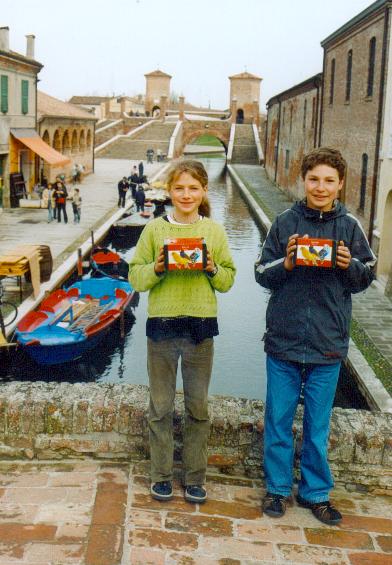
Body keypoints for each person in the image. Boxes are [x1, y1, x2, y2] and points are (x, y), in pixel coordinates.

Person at [254, 147, 376, 525]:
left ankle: (315, 492)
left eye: (328, 181)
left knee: (318, 425)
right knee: (278, 419)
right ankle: (276, 489)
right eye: (313, 179)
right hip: (284, 339)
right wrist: (287, 262)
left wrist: (349, 266)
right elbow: (262, 272)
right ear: (302, 180)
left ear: (340, 184)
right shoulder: (284, 222)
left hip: (328, 342)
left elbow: (367, 274)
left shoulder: (350, 227)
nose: (320, 187)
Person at [129, 159, 236, 504]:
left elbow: (228, 280)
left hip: (200, 329)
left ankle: (194, 478)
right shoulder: (154, 230)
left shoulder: (215, 232)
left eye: (193, 188)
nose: (186, 194)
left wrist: (211, 267)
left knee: (198, 408)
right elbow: (135, 277)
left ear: (204, 191)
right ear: (169, 191)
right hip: (161, 328)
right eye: (179, 188)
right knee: (159, 407)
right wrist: (157, 269)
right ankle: (160, 475)